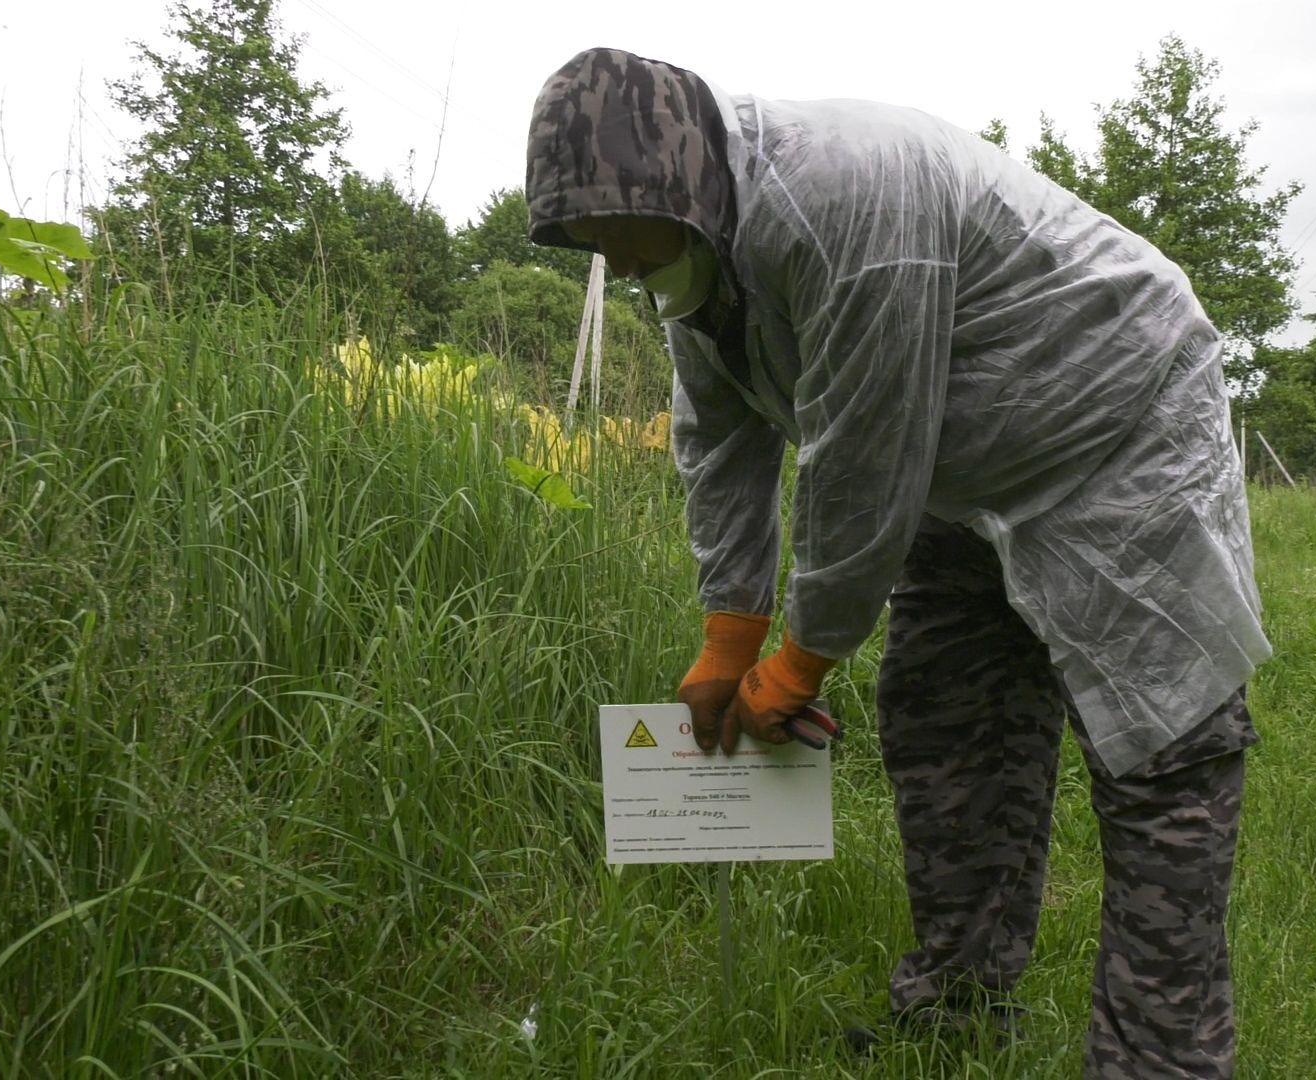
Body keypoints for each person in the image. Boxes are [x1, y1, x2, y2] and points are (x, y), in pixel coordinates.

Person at [524, 46, 1272, 1079]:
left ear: (686, 180)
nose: (615, 257)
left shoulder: (847, 199)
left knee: (1161, 749)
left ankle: (1160, 1058)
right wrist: (728, 630)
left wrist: (797, 664)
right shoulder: (694, 252)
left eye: (623, 232)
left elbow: (861, 463)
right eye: (590, 242)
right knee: (948, 720)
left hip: (1113, 418)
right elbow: (718, 438)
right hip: (962, 460)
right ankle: (961, 1008)